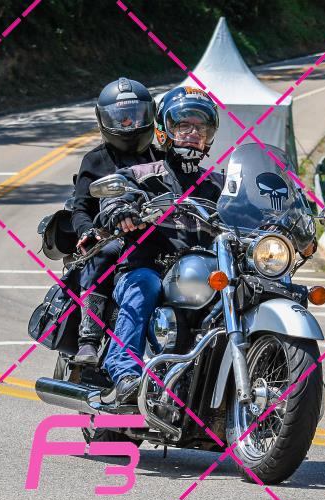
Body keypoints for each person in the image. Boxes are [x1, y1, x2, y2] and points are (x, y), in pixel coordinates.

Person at [97, 86, 224, 404]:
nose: (193, 133)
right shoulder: (143, 175)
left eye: (201, 127)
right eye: (184, 125)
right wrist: (121, 210)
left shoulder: (220, 184)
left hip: (207, 274)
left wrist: (287, 225)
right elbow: (115, 197)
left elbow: (253, 209)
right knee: (144, 285)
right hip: (149, 266)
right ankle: (125, 374)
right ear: (165, 130)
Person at [67, 77, 163, 365]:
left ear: (150, 115)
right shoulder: (95, 160)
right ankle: (89, 337)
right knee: (104, 251)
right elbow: (80, 208)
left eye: (136, 115)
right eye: (120, 117)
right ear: (104, 119)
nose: (129, 124)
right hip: (112, 236)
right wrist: (89, 232)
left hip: (156, 235)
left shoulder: (162, 159)